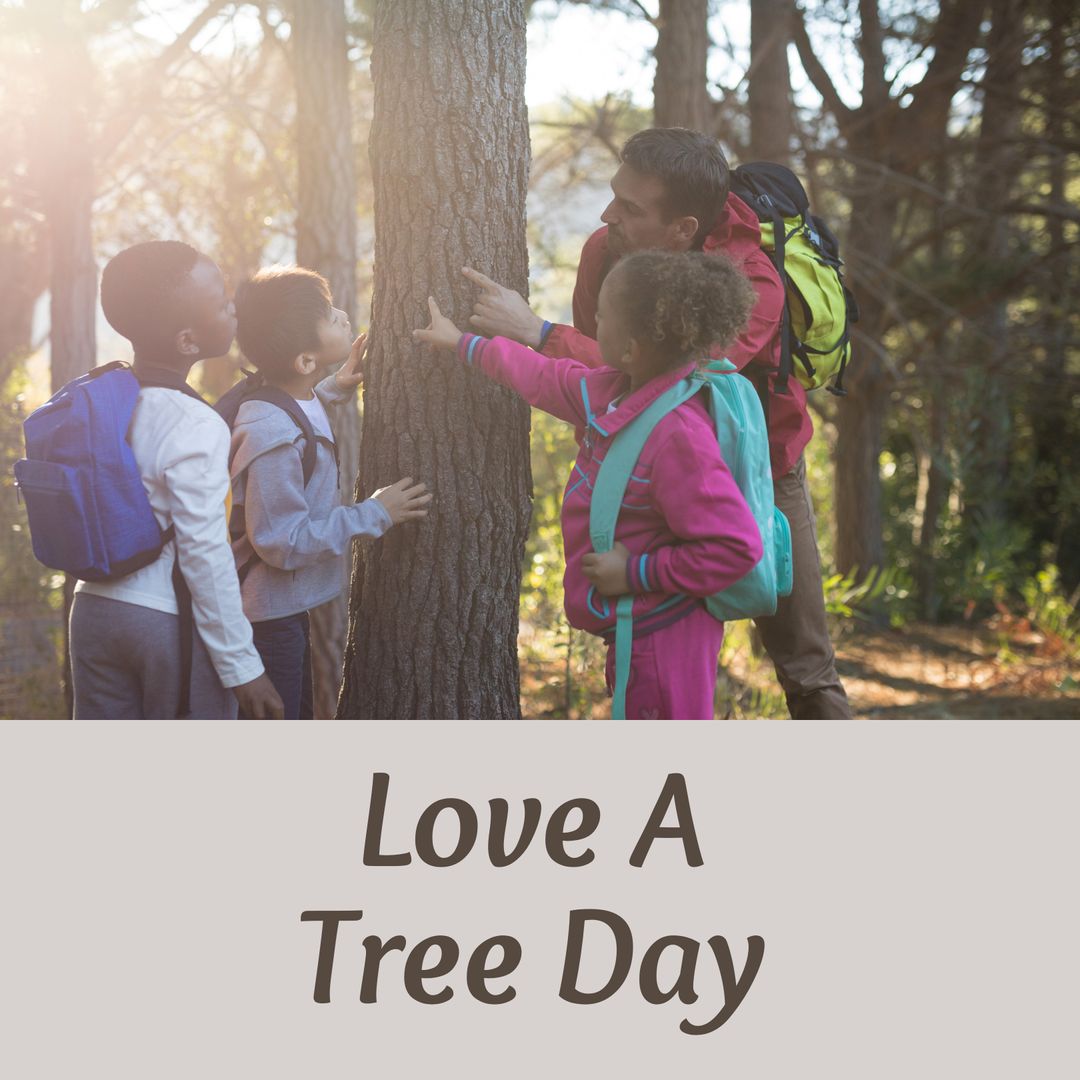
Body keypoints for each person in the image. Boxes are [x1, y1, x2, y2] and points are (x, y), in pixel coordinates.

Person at [462, 126, 851, 720]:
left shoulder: (751, 281)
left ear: (683, 229)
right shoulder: (605, 249)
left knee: (804, 665)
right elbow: (605, 377)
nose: (607, 213)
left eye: (630, 207)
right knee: (647, 641)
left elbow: (660, 379)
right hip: (649, 476)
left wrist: (537, 335)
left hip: (762, 470)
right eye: (615, 194)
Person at [416, 250, 762, 720]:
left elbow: (736, 547)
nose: (593, 320)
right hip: (635, 629)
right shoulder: (617, 390)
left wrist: (637, 572)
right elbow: (541, 376)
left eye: (602, 315)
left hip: (667, 636)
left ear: (632, 347)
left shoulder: (678, 436)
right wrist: (462, 344)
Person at [70, 241, 283, 720]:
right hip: (165, 620)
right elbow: (204, 552)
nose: (233, 308)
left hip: (92, 611)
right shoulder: (193, 422)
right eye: (222, 302)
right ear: (188, 341)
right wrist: (243, 668)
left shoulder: (100, 402)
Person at [230, 267, 432, 719]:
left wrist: (337, 385)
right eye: (329, 316)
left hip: (281, 611)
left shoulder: (283, 398)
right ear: (304, 360)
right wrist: (374, 513)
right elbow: (282, 541)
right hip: (266, 622)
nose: (343, 316)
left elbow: (301, 413)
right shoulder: (271, 436)